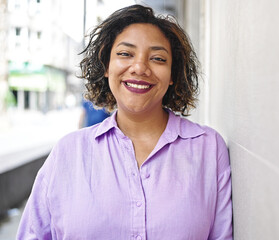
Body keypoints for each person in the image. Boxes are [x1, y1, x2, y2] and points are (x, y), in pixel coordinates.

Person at [17, 4, 232, 240]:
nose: (139, 67)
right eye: (125, 54)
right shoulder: (68, 153)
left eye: (158, 58)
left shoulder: (209, 149)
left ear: (172, 75)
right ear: (106, 66)